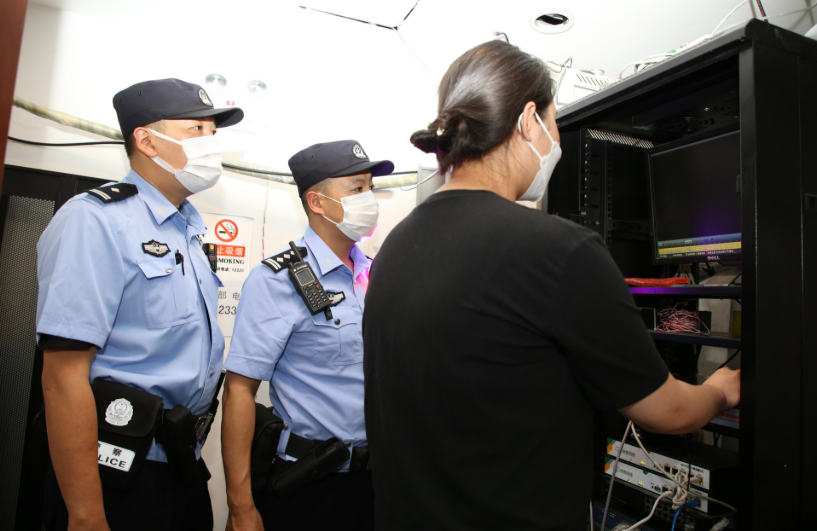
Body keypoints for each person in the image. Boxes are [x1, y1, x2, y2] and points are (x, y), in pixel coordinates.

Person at [362, 41, 741, 531]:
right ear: (528, 121)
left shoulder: (394, 246)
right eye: (554, 121)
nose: (556, 140)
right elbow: (667, 411)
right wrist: (720, 391)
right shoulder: (559, 250)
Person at [37, 78, 243, 531]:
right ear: (147, 141)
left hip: (181, 464)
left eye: (213, 132)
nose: (210, 143)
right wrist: (87, 515)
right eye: (196, 130)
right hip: (115, 470)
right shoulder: (96, 220)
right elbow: (62, 376)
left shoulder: (188, 230)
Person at [221, 140, 394, 531]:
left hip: (377, 483)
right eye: (357, 188)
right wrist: (240, 506)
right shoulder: (277, 281)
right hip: (311, 483)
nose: (369, 199)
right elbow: (239, 392)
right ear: (317, 202)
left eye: (370, 187)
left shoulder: (378, 275)